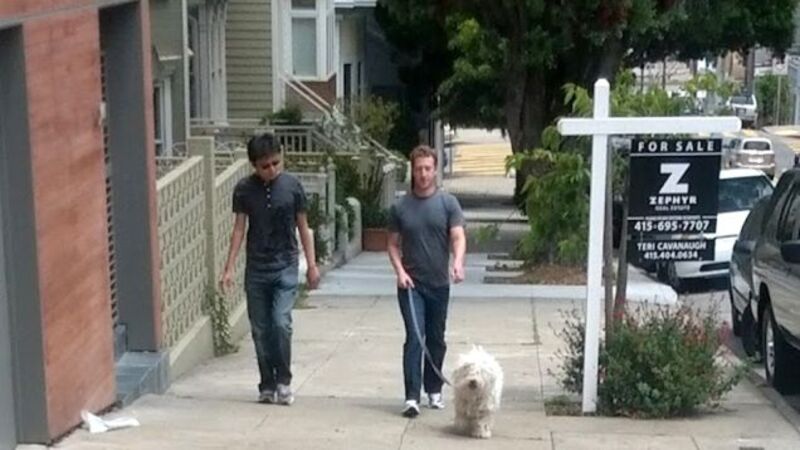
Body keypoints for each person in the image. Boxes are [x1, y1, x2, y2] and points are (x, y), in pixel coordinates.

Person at [220, 132, 320, 406]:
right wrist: (229, 267)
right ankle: (267, 383)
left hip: (285, 264)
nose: (272, 169)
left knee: (281, 322)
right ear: (254, 165)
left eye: (276, 163)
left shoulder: (292, 187)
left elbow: (303, 226)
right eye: (265, 166)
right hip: (256, 268)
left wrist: (311, 265)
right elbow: (239, 229)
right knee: (261, 329)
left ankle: (284, 381)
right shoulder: (243, 189)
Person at [387, 145, 467, 418]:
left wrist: (457, 262)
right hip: (411, 286)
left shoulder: (448, 204)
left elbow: (457, 237)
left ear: (435, 170)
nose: (423, 174)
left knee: (436, 339)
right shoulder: (400, 207)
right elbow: (393, 245)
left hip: (439, 284)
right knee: (414, 337)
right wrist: (400, 271)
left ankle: (434, 389)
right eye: (418, 169)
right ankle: (411, 397)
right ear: (412, 170)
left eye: (428, 169)